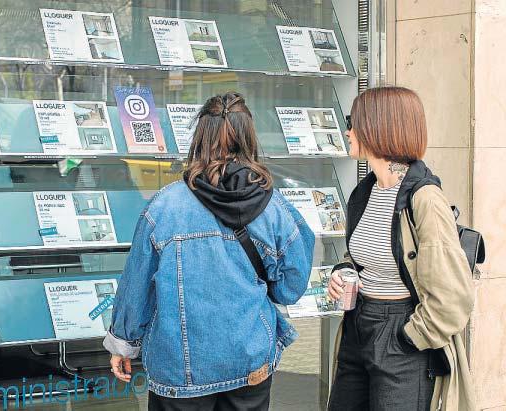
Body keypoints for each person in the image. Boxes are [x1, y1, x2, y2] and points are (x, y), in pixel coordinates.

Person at [103, 92, 315, 410]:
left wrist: (123, 343)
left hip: (180, 369)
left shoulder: (164, 207)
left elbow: (138, 286)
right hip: (250, 361)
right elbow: (290, 289)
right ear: (248, 137)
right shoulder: (274, 206)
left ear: (199, 137)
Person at [327, 86, 475, 411]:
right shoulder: (364, 192)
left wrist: (409, 338)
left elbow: (454, 296)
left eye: (354, 123)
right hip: (357, 325)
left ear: (378, 128)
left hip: (400, 333)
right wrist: (344, 271)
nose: (348, 131)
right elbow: (364, 255)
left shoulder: (424, 199)